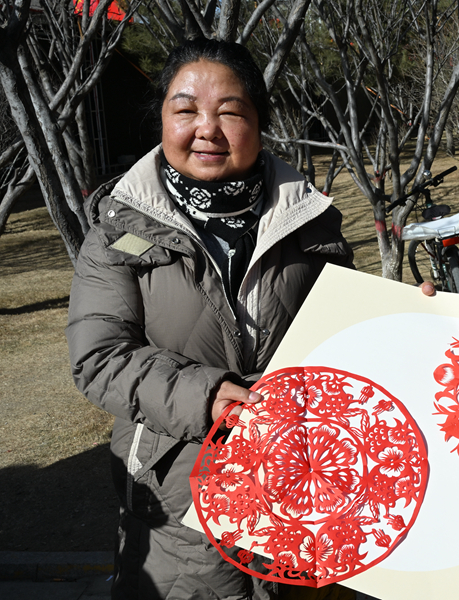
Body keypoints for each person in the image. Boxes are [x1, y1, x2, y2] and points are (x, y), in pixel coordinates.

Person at [67, 39, 354, 599]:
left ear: (259, 122)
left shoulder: (310, 222)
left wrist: (414, 315)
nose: (207, 129)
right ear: (162, 120)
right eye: (185, 109)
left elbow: (347, 336)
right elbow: (99, 356)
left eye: (229, 111)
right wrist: (206, 395)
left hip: (303, 487)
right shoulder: (118, 232)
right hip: (178, 498)